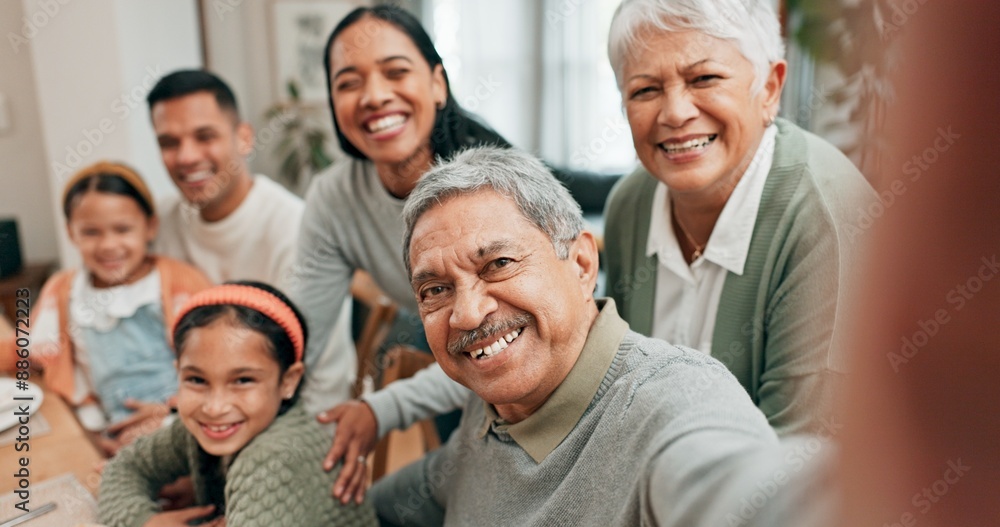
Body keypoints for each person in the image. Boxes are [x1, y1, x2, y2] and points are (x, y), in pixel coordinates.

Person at [367, 146, 834, 526]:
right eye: (436, 290)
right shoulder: (493, 403)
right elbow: (429, 490)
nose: (467, 314)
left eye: (499, 264)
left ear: (583, 265)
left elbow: (736, 488)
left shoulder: (674, 403)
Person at [602, 0, 876, 435]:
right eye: (645, 90)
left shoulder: (826, 215)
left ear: (769, 88)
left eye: (704, 78)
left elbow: (801, 454)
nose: (675, 113)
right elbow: (615, 397)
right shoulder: (629, 205)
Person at [145, 69, 354, 417]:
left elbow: (319, 378)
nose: (186, 157)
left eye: (204, 136)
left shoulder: (297, 229)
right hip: (194, 409)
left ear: (243, 138)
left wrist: (174, 422)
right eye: (169, 143)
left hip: (293, 418)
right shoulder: (161, 221)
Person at [98, 281, 377, 527]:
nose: (215, 407)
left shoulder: (273, 459)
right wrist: (144, 520)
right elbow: (123, 470)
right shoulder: (198, 427)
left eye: (242, 381)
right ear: (178, 372)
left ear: (288, 381)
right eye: (196, 380)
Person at [28, 161, 211, 455]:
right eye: (91, 232)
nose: (109, 245)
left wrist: (175, 412)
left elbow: (217, 364)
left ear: (150, 227)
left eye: (123, 229)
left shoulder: (179, 281)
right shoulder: (64, 291)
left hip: (181, 424)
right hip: (106, 434)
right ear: (71, 233)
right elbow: (35, 350)